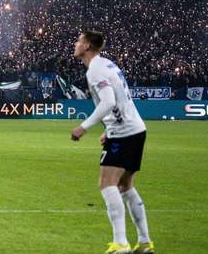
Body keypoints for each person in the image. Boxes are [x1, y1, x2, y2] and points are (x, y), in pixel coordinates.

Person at [70, 31, 153, 254]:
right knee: (126, 186)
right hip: (135, 129)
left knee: (107, 184)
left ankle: (121, 243)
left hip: (124, 133)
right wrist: (109, 129)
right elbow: (121, 98)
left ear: (87, 45)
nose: (75, 44)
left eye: (78, 41)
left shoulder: (96, 69)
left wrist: (83, 127)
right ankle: (144, 242)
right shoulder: (107, 64)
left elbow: (108, 101)